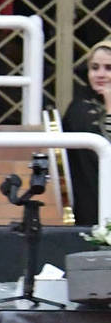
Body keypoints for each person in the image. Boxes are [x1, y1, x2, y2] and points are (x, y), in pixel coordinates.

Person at [63, 39, 111, 226]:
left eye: (108, 68)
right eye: (94, 68)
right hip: (92, 197)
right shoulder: (80, 107)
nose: (100, 74)